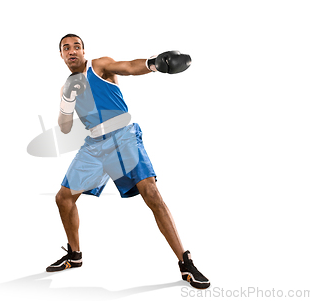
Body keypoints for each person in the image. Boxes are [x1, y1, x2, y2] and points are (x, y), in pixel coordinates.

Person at [46, 33, 210, 289]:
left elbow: (129, 67)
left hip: (123, 137)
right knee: (63, 198)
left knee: (151, 193)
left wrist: (154, 63)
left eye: (77, 46)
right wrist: (67, 100)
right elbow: (65, 128)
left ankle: (185, 262)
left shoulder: (99, 66)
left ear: (84, 50)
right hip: (94, 146)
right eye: (66, 48)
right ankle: (75, 255)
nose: (72, 51)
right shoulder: (67, 86)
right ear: (61, 55)